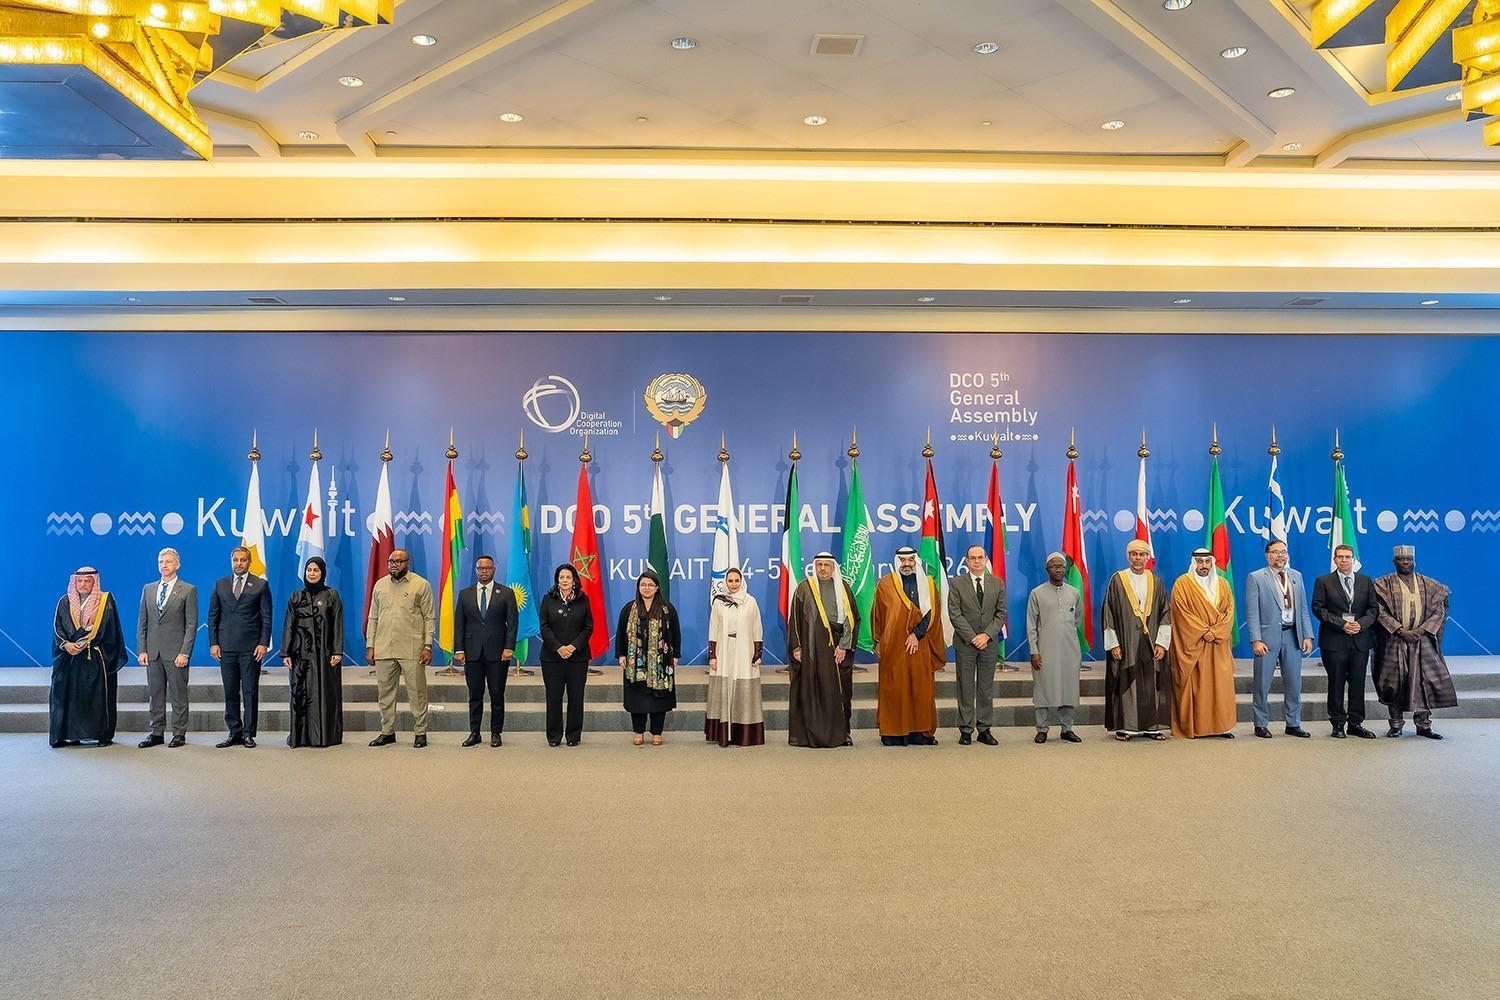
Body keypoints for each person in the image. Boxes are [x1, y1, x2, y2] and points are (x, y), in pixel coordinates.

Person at [1372, 545, 1457, 739]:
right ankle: (1396, 725)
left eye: (1408, 559)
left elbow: (1440, 610)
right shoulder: (1382, 584)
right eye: (1401, 560)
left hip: (1422, 639)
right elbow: (1378, 610)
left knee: (1424, 682)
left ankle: (1424, 725)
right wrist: (1400, 630)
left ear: (1414, 561)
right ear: (1394, 562)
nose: (1405, 562)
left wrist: (1421, 630)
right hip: (1395, 639)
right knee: (1394, 683)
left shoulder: (1429, 584)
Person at [872, 546, 945, 746]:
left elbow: (932, 613)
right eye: (903, 560)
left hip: (919, 645)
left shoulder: (928, 583)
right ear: (897, 562)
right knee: (895, 688)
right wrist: (877, 641)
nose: (906, 564)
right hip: (893, 646)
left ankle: (921, 733)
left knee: (920, 688)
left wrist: (916, 634)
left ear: (916, 561)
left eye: (910, 560)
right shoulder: (885, 584)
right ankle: (893, 733)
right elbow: (877, 615)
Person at [1100, 540, 1173, 741]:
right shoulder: (1118, 580)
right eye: (1134, 554)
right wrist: (1113, 643)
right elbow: (1108, 612)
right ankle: (1127, 727)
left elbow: (1165, 613)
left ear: (1148, 557)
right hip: (1126, 641)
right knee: (1126, 681)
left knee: (1151, 683)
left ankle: (1152, 727)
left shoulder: (1156, 581)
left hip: (1151, 641)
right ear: (1128, 556)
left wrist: (1162, 643)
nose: (1138, 558)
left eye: (1142, 554)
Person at [786, 552, 859, 748]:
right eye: (820, 565)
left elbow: (852, 619)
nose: (823, 569)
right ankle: (810, 735)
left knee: (841, 691)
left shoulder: (843, 587)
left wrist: (844, 645)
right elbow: (795, 620)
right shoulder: (804, 588)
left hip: (838, 648)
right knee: (813, 689)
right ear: (814, 567)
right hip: (812, 647)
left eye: (827, 565)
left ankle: (842, 734)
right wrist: (796, 647)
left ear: (833, 567)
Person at [49, 567, 127, 747]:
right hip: (69, 658)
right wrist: (66, 644)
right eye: (80, 581)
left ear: (94, 582)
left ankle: (102, 736)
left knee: (96, 699)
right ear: (75, 582)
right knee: (68, 697)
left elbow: (111, 629)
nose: (83, 584)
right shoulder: (64, 601)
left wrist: (88, 642)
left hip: (95, 657)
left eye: (87, 581)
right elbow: (57, 627)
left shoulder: (105, 600)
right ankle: (69, 735)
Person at [365, 549, 435, 748]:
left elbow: (429, 617)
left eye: (398, 561)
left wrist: (427, 645)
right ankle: (387, 732)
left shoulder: (421, 584)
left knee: (417, 692)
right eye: (391, 562)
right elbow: (373, 617)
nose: (394, 565)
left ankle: (420, 732)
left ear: (407, 563)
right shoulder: (380, 585)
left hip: (412, 648)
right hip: (384, 647)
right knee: (385, 694)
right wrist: (370, 645)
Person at [1244, 539, 1313, 739]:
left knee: (1293, 683)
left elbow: (1302, 608)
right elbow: (1252, 612)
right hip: (1266, 638)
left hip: (1293, 636)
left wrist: (1307, 635)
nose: (1280, 556)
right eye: (1275, 552)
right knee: (1262, 684)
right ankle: (1260, 724)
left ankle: (1293, 723)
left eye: (1283, 552)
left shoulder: (1296, 576)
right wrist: (1255, 640)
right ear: (1267, 556)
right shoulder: (1256, 577)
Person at [207, 546, 273, 749]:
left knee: (250, 692)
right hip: (226, 648)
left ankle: (248, 734)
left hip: (251, 649)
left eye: (243, 560)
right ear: (231, 561)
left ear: (249, 562)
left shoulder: (260, 585)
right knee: (230, 692)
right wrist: (213, 643)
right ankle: (234, 732)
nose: (238, 563)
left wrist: (263, 643)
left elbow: (266, 617)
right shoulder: (220, 584)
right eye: (235, 560)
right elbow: (213, 616)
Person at [1311, 544, 1379, 739]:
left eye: (1347, 557)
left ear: (1353, 559)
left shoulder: (1366, 581)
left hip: (1360, 640)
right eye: (1340, 557)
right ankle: (1338, 724)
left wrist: (1360, 624)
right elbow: (1318, 608)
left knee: (1358, 684)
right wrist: (1342, 624)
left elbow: (1373, 609)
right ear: (1334, 560)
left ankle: (1355, 724)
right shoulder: (1323, 581)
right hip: (1334, 640)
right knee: (1336, 683)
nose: (1344, 560)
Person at [1168, 548, 1237, 739]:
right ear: (1193, 563)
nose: (1204, 566)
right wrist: (1204, 631)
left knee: (1220, 686)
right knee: (1199, 688)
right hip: (1195, 645)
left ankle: (1221, 727)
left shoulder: (1223, 584)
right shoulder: (1182, 584)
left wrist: (1215, 632)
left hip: (1218, 645)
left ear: (1212, 563)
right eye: (1200, 562)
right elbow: (1181, 614)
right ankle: (1197, 727)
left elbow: (1229, 612)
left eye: (1207, 561)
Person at [280, 556, 344, 748]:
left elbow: (337, 624)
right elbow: (289, 625)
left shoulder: (331, 595)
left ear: (322, 573)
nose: (312, 573)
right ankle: (301, 737)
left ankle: (324, 736)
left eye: (316, 570)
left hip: (326, 655)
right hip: (300, 656)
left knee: (325, 694)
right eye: (309, 570)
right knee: (300, 694)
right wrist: (286, 653)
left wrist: (337, 651)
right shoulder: (296, 596)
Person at [454, 555, 518, 748]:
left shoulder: (506, 593)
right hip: (472, 653)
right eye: (480, 568)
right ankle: (475, 732)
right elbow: (459, 624)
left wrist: (509, 647)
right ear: (476, 570)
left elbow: (512, 623)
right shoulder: (465, 594)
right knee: (475, 695)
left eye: (488, 568)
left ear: (494, 569)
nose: (484, 571)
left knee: (497, 694)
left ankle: (496, 733)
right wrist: (459, 649)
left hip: (498, 653)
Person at [136, 547, 197, 748]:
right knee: (155, 694)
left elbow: (191, 625)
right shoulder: (148, 589)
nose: (164, 565)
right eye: (161, 562)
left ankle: (179, 733)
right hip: (153, 652)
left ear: (177, 564)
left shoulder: (188, 589)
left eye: (168, 561)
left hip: (176, 653)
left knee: (178, 695)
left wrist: (185, 652)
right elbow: (142, 622)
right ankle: (156, 732)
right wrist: (142, 650)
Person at [948, 543, 1005, 745]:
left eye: (980, 557)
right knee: (965, 687)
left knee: (985, 688)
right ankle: (965, 729)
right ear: (967, 561)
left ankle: (984, 729)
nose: (977, 561)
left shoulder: (997, 583)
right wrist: (973, 637)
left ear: (986, 559)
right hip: (966, 644)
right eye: (973, 558)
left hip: (988, 644)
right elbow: (955, 613)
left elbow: (1001, 613)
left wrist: (986, 635)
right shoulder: (957, 583)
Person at [616, 571, 682, 746]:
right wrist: (621, 654)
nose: (647, 588)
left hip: (661, 663)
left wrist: (676, 655)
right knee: (636, 698)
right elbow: (620, 633)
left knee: (658, 699)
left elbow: (675, 633)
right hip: (634, 664)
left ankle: (657, 733)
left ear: (657, 588)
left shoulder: (667, 609)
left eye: (650, 585)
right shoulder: (628, 609)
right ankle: (638, 732)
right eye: (643, 585)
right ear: (638, 587)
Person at [1026, 553, 1084, 744]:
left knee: (1068, 688)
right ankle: (1042, 729)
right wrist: (1034, 650)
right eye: (1054, 566)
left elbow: (1077, 620)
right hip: (1044, 650)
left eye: (1061, 566)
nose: (1058, 569)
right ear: (1047, 569)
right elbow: (1031, 625)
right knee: (1042, 688)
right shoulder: (1037, 593)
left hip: (1069, 650)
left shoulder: (1074, 593)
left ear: (1065, 569)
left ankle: (1067, 729)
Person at [705, 567, 765, 747]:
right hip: (723, 651)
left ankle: (743, 734)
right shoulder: (719, 602)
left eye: (736, 580)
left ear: (742, 581)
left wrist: (757, 653)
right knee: (725, 687)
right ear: (725, 582)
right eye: (730, 581)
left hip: (744, 651)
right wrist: (712, 655)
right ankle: (724, 733)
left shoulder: (750, 601)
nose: (733, 584)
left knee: (743, 687)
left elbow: (757, 627)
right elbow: (713, 628)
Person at [539, 563, 593, 747]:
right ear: (557, 580)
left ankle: (573, 736)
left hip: (578, 658)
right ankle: (554, 736)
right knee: (553, 698)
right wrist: (558, 648)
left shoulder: (583, 599)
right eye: (561, 577)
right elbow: (544, 626)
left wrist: (573, 647)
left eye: (568, 577)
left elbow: (588, 627)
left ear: (574, 580)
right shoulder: (548, 599)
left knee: (576, 697)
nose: (564, 580)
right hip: (552, 658)